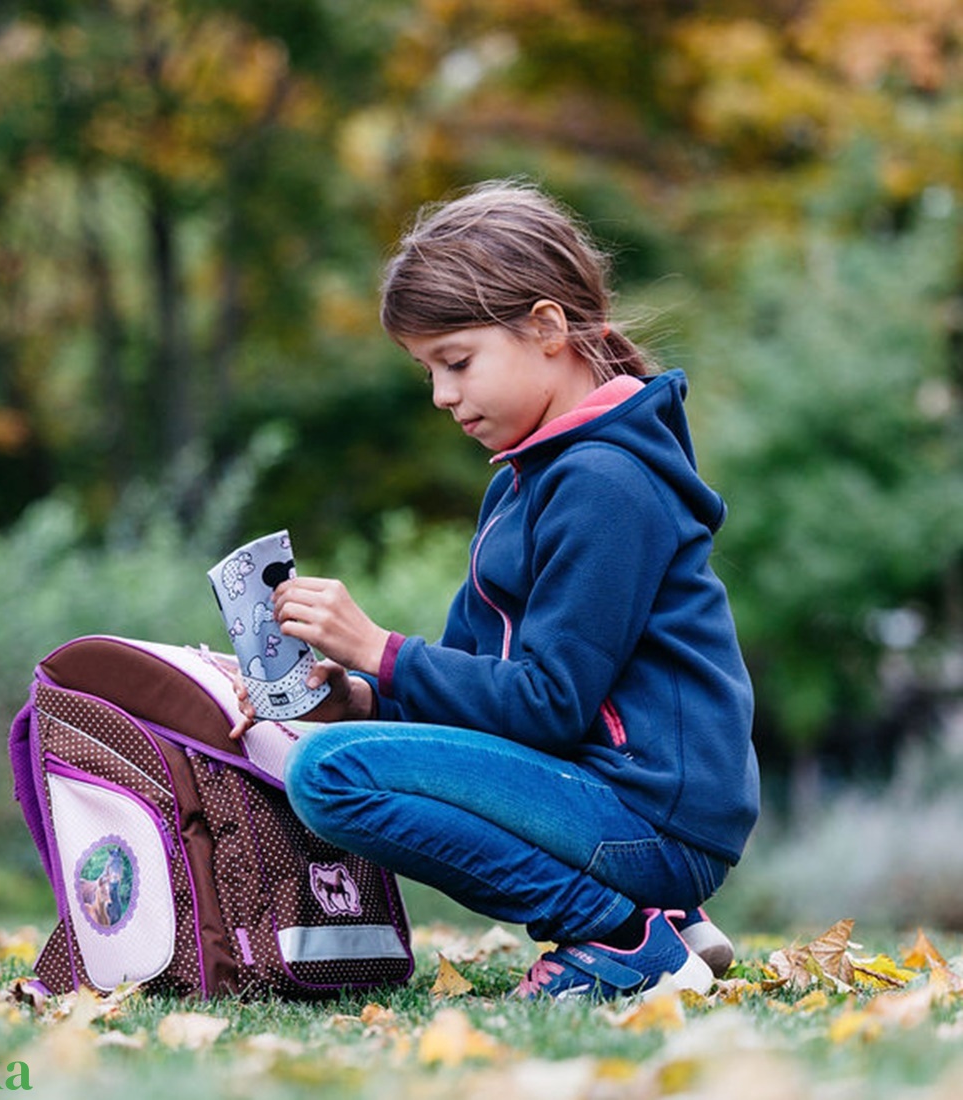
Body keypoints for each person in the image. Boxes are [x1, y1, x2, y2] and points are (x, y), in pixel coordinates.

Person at [232, 178, 759, 1001]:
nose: (443, 395)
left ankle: (624, 938)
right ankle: (661, 918)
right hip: (609, 800)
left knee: (330, 777)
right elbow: (482, 685)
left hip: (649, 812)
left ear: (547, 328)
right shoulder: (525, 484)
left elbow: (548, 704)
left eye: (458, 361)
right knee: (330, 747)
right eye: (427, 370)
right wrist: (356, 696)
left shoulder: (606, 482)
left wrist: (378, 647)